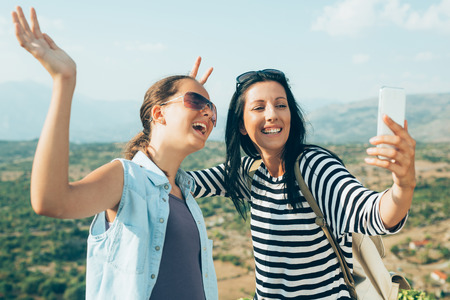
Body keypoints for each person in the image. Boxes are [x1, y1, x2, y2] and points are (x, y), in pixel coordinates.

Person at [12, 6, 218, 299]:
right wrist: (64, 81)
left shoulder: (185, 193)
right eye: (197, 101)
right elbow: (51, 201)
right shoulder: (127, 179)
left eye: (212, 109)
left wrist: (190, 102)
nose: (208, 113)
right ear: (158, 114)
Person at [188, 69, 416, 299]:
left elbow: (373, 212)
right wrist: (181, 111)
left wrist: (403, 186)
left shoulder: (314, 167)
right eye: (259, 107)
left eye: (280, 105)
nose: (272, 115)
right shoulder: (251, 173)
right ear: (241, 125)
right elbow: (181, 182)